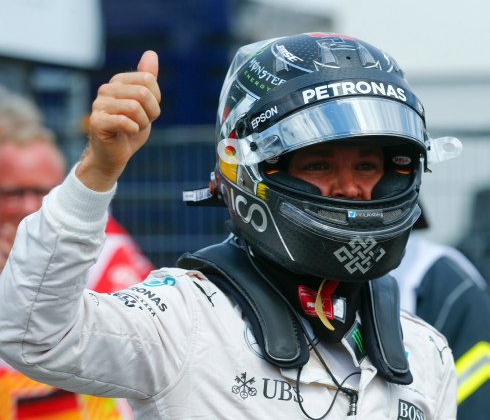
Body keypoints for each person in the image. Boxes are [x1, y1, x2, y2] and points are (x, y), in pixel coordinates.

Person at [0, 33, 463, 419]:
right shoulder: (185, 319)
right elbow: (33, 334)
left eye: (367, 167)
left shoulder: (424, 351)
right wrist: (97, 172)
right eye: (319, 165)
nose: (350, 188)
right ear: (251, 172)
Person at [0, 93, 154, 419]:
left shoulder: (102, 246)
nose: (29, 206)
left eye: (43, 191)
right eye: (12, 193)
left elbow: (142, 350)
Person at [392, 206, 490, 419]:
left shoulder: (451, 289)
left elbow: (489, 407)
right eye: (320, 170)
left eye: (366, 170)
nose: (348, 189)